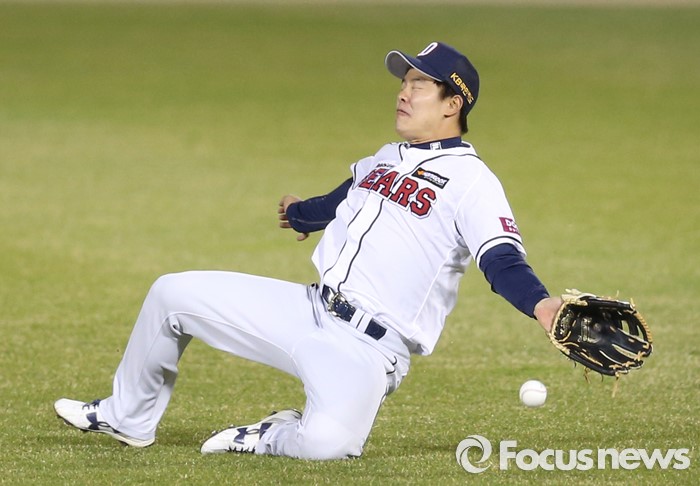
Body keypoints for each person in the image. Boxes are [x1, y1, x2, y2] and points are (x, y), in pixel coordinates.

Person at [54, 41, 563, 460]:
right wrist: (300, 214)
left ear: (453, 103)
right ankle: (127, 417)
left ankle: (271, 434)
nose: (403, 93)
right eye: (403, 82)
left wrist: (541, 305)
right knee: (171, 294)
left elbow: (501, 258)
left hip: (368, 349)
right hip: (309, 309)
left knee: (326, 445)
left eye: (418, 85)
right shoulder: (384, 159)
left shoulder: (474, 182)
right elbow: (340, 200)